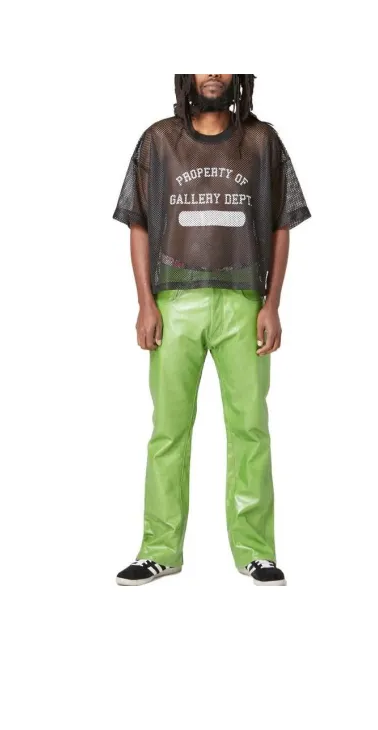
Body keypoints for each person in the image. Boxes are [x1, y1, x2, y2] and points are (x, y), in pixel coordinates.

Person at [112, 74, 311, 586]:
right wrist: (145, 302)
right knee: (168, 430)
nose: (214, 73)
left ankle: (256, 550)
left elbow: (281, 224)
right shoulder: (159, 140)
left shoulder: (261, 142)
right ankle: (159, 548)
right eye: (203, 62)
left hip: (243, 301)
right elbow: (139, 223)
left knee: (250, 428)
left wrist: (272, 303)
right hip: (174, 300)